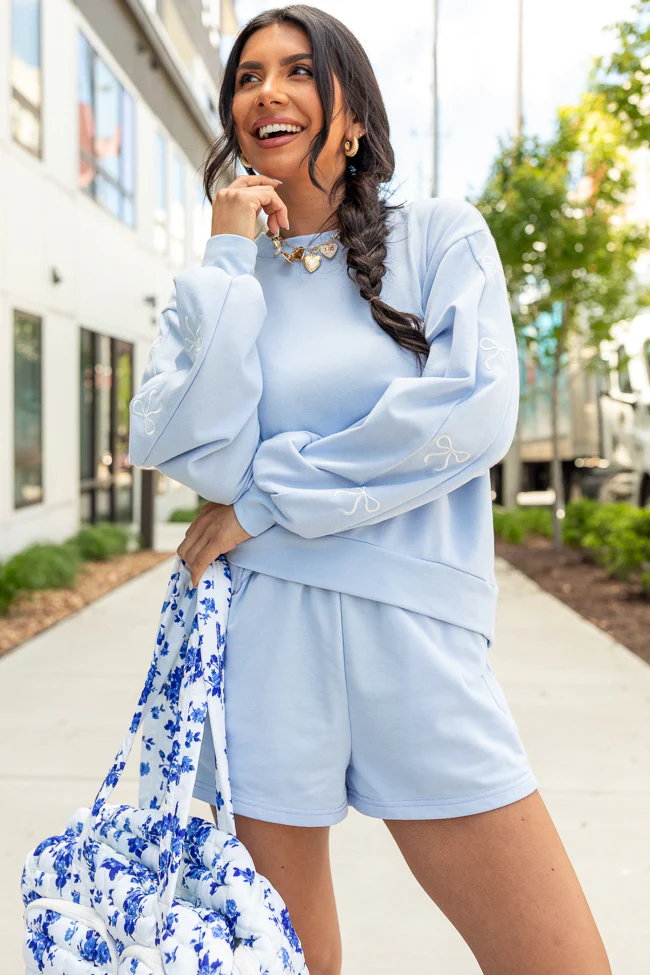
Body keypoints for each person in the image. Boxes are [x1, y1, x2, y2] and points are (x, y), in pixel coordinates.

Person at [128, 6, 612, 974]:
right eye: (249, 74)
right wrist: (228, 259)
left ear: (351, 117)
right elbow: (189, 449)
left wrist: (265, 503)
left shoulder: (438, 236)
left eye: (299, 70)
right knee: (289, 963)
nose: (267, 89)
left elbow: (468, 414)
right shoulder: (220, 280)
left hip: (414, 637)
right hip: (265, 647)